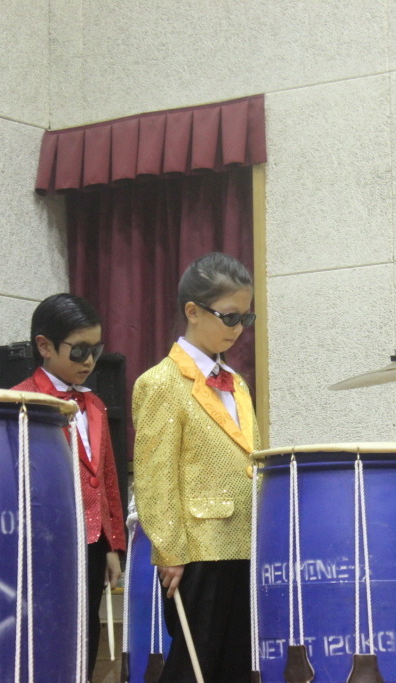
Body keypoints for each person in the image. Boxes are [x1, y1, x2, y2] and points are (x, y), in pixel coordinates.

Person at [132, 251, 262, 683]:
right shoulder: (160, 382)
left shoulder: (237, 383)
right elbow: (154, 476)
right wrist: (170, 550)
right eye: (229, 317)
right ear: (192, 311)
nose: (237, 329)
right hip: (196, 550)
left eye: (245, 318)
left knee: (236, 666)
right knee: (194, 666)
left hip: (244, 542)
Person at [10, 293, 126, 678]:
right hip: (44, 541)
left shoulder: (95, 405)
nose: (89, 361)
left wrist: (113, 544)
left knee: (88, 628)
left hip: (92, 541)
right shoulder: (20, 402)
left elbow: (106, 479)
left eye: (96, 350)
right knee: (44, 628)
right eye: (79, 351)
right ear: (45, 346)